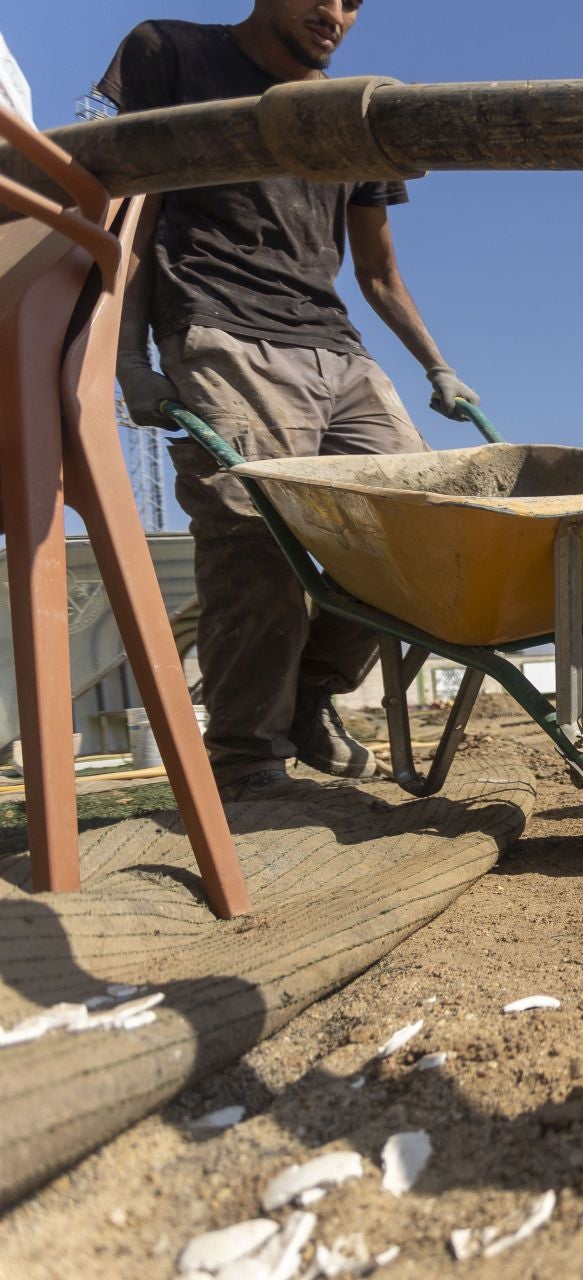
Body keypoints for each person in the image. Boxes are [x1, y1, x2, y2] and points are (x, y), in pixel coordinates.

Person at [100, 1, 480, 799]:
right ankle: (246, 761)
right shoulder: (172, 53)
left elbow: (378, 272)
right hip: (220, 325)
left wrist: (438, 366)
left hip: (336, 348)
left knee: (431, 528)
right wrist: (128, 356)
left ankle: (311, 692)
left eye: (353, 1)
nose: (334, 11)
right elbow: (128, 213)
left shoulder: (351, 113)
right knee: (256, 535)